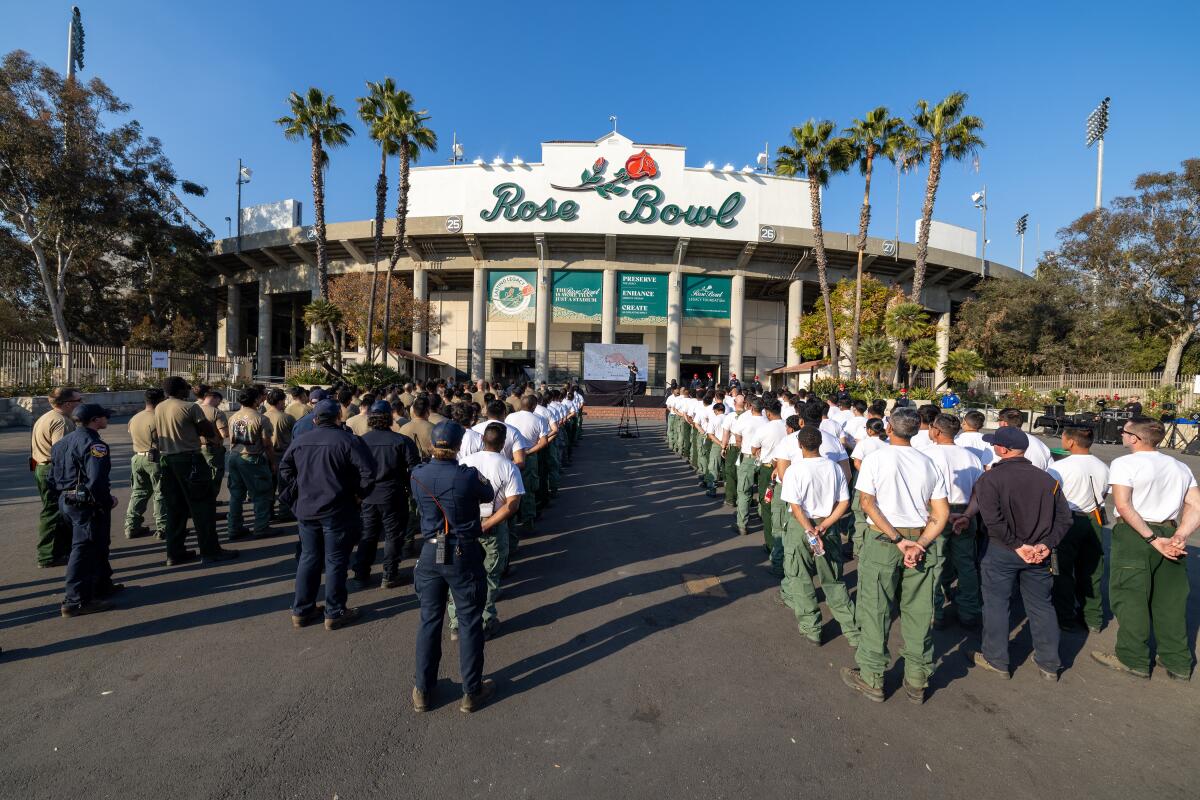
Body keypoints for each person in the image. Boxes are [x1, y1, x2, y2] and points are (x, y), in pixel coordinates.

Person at [843, 407, 949, 704]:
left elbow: (867, 503)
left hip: (885, 539)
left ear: (889, 428)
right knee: (919, 611)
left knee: (876, 608)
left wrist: (897, 540)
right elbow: (941, 514)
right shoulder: (928, 462)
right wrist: (920, 543)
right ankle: (917, 678)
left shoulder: (876, 459)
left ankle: (873, 676)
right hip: (921, 538)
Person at [1091, 417, 1199, 681]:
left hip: (1136, 535)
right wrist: (1180, 536)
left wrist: (1151, 539)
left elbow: (1124, 506)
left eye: (1124, 432)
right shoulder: (1180, 466)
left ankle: (1133, 658)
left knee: (1130, 596)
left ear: (1134, 438)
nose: (1122, 435)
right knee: (1170, 600)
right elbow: (1196, 505)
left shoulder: (1124, 463)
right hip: (1169, 530)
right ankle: (1177, 661)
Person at [960, 426, 1071, 681]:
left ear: (1002, 449)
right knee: (1041, 605)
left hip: (1003, 551)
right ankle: (1049, 663)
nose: (993, 448)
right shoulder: (1047, 479)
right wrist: (1045, 544)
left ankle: (996, 659)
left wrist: (1018, 546)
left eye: (994, 445)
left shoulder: (990, 479)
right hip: (1038, 553)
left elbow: (993, 521)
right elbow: (1064, 519)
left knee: (997, 604)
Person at [410, 421, 498, 713]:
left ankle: (423, 689)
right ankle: (471, 691)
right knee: (470, 620)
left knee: (429, 620)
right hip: (462, 549)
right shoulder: (466, 475)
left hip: (432, 551)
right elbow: (487, 495)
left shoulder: (419, 474)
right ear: (459, 445)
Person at [278, 399, 377, 630]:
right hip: (338, 508)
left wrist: (297, 490)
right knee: (335, 560)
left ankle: (302, 609)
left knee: (309, 558)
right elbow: (368, 473)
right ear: (338, 418)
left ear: (315, 420)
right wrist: (359, 495)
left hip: (307, 508)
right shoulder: (349, 441)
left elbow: (285, 470)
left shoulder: (301, 441)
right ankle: (334, 611)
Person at [779, 425, 861, 647]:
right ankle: (852, 630)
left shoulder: (795, 470)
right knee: (834, 580)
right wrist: (824, 525)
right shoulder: (834, 468)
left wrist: (809, 528)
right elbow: (844, 501)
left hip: (801, 527)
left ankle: (812, 628)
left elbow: (795, 506)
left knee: (801, 578)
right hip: (829, 526)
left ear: (799, 445)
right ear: (821, 444)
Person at [450, 422, 525, 640]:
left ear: (482, 439)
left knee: (461, 573)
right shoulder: (508, 466)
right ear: (502, 444)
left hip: (465, 523)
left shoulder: (464, 462)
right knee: (490, 574)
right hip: (493, 523)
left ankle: (456, 622)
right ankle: (485, 620)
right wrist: (489, 523)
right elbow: (512, 505)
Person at [155, 376, 238, 566]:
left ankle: (174, 552)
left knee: (175, 509)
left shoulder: (160, 407)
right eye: (186, 387)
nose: (188, 390)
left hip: (168, 460)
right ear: (179, 390)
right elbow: (208, 431)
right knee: (203, 507)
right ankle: (210, 551)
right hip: (190, 460)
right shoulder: (190, 407)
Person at [51, 403, 122, 616]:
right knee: (83, 549)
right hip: (86, 503)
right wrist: (105, 501)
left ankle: (100, 586)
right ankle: (76, 601)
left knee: (97, 544)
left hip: (67, 499)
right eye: (104, 417)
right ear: (94, 420)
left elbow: (51, 478)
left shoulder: (62, 443)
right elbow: (96, 479)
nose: (106, 420)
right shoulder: (94, 444)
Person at [1046, 426, 1110, 633]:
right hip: (1094, 518)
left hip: (1067, 520)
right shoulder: (1103, 466)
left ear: (1071, 442)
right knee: (1092, 570)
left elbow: (1049, 497)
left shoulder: (1059, 468)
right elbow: (1105, 493)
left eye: (1063, 438)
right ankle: (1093, 618)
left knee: (1062, 570)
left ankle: (1064, 616)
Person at [351, 401, 420, 590]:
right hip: (393, 494)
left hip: (368, 495)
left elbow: (352, 470)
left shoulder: (360, 441)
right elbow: (414, 469)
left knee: (368, 534)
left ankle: (361, 572)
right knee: (393, 535)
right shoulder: (401, 441)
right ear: (389, 418)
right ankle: (389, 574)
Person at [925, 414, 985, 631]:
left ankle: (935, 612)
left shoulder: (927, 455)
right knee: (966, 564)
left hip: (936, 512)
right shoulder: (971, 457)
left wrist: (939, 513)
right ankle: (969, 611)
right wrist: (967, 515)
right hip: (966, 512)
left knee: (935, 562)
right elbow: (979, 492)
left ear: (937, 432)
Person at [30, 386, 82, 567]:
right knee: (53, 512)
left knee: (56, 511)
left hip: (41, 466)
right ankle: (47, 555)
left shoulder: (46, 417)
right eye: (78, 401)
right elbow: (61, 451)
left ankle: (58, 549)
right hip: (53, 470)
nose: (81, 404)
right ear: (68, 404)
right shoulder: (61, 422)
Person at [226, 386, 276, 540]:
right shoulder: (260, 418)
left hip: (234, 456)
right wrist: (273, 462)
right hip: (252, 458)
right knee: (261, 494)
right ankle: (261, 527)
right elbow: (267, 444)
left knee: (236, 495)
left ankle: (234, 527)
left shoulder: (233, 417)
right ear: (255, 400)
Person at [124, 388, 166, 540]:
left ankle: (132, 526)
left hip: (137, 457)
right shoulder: (159, 418)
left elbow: (130, 432)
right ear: (161, 400)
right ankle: (163, 527)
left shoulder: (135, 417)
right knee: (160, 493)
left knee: (139, 492)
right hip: (155, 457)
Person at [749, 400, 788, 554]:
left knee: (767, 505)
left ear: (768, 413)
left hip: (767, 470)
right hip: (787, 469)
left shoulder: (764, 429)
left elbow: (753, 449)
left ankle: (771, 543)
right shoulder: (789, 427)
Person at [731, 397, 766, 535]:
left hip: (748, 457)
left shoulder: (745, 420)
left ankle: (742, 524)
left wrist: (742, 445)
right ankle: (762, 514)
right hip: (764, 459)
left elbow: (737, 436)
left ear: (751, 407)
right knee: (763, 490)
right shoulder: (767, 421)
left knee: (744, 491)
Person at [198, 389, 229, 500]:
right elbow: (224, 434)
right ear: (215, 398)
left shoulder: (193, 408)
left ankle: (200, 502)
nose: (219, 404)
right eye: (219, 402)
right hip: (212, 448)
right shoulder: (217, 412)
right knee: (215, 476)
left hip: (195, 447)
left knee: (199, 476)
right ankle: (210, 502)